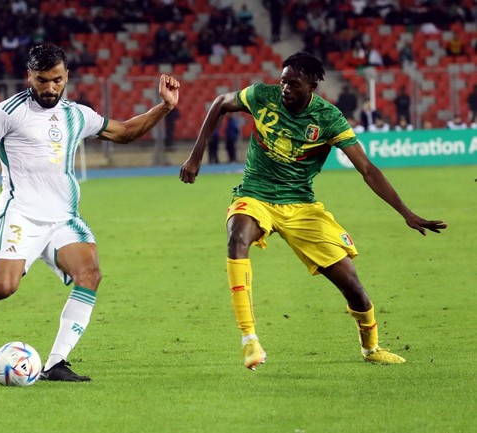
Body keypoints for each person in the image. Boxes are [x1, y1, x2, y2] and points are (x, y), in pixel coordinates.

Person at [0, 44, 180, 382]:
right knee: (1, 287)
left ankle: (56, 363)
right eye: (42, 80)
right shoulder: (8, 112)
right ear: (29, 76)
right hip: (21, 215)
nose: (50, 88)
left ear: (67, 76)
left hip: (62, 218)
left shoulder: (77, 115)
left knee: (90, 275)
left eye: (57, 80)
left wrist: (164, 106)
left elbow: (126, 132)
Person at [179, 51, 446, 370]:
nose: (285, 89)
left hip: (301, 206)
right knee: (237, 237)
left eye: (293, 83)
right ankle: (249, 340)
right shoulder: (262, 96)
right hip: (256, 193)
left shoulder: (328, 118)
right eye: (282, 81)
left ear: (312, 85)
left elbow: (367, 169)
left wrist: (406, 212)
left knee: (352, 286)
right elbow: (221, 102)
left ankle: (371, 347)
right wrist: (196, 156)